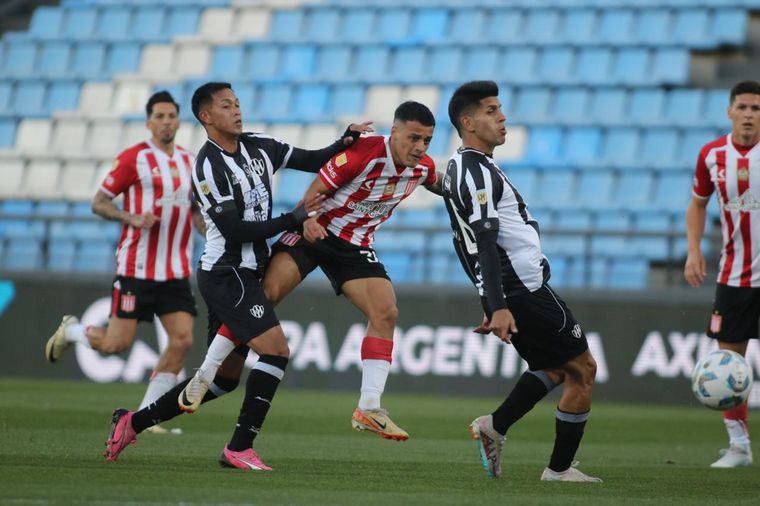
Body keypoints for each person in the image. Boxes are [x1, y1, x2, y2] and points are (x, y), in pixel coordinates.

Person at [103, 81, 371, 470]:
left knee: (225, 380)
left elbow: (315, 159)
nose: (237, 110)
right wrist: (292, 219)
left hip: (249, 271)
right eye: (227, 105)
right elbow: (233, 230)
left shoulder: (259, 146)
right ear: (207, 117)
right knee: (276, 350)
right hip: (227, 273)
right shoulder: (208, 166)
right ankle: (239, 448)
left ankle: (133, 422)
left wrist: (344, 142)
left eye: (238, 103)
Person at [179, 100, 442, 442]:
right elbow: (314, 192)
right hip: (313, 234)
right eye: (414, 138)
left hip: (353, 246)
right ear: (395, 132)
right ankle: (205, 373)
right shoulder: (362, 154)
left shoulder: (422, 168)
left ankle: (369, 407)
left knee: (386, 310)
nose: (420, 147)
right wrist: (312, 221)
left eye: (427, 141)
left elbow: (439, 182)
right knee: (266, 295)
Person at [442, 81, 601, 482]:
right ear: (468, 122)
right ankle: (559, 470)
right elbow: (485, 242)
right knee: (583, 370)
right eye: (492, 110)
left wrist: (492, 299)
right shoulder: (474, 172)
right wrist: (497, 304)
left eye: (500, 108)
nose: (503, 116)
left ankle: (494, 426)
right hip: (524, 292)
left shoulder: (469, 167)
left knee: (553, 366)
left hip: (517, 291)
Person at [44, 91, 204, 434]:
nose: (166, 122)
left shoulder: (191, 162)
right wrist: (129, 217)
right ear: (149, 123)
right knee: (116, 344)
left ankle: (147, 415)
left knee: (183, 341)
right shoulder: (134, 159)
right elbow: (99, 202)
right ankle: (72, 331)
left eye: (171, 116)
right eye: (159, 116)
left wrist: (214, 235)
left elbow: (193, 211)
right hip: (136, 269)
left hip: (175, 270)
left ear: (178, 120)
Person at [684, 80, 760, 468]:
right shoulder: (712, 155)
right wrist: (694, 249)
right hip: (735, 276)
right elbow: (697, 204)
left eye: (756, 108)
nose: (749, 114)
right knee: (729, 363)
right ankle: (739, 447)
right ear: (730, 111)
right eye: (743, 107)